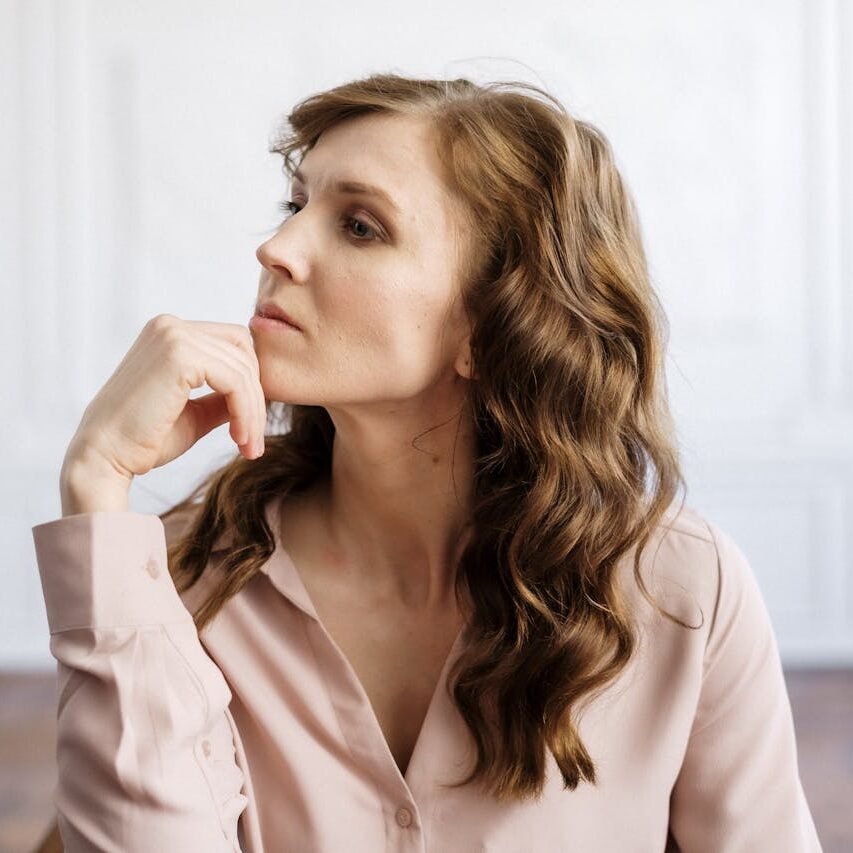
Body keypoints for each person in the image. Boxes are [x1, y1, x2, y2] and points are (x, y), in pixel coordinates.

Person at [32, 72, 822, 852]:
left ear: (492, 325)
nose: (275, 247)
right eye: (297, 204)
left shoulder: (682, 594)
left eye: (360, 226)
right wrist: (98, 479)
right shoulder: (184, 572)